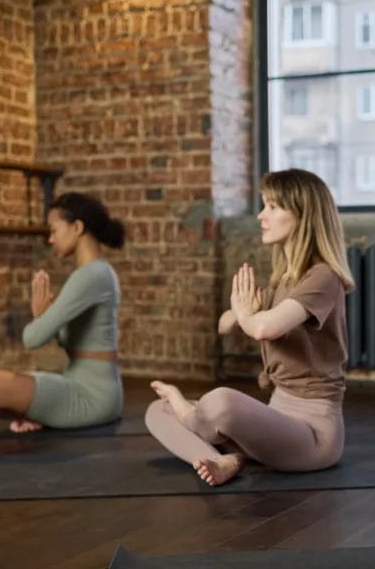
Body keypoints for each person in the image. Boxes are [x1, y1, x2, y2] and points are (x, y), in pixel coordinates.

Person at [145, 168, 355, 486]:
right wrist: (243, 313)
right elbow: (226, 323)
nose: (261, 215)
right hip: (276, 419)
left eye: (272, 206)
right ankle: (224, 459)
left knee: (220, 402)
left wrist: (249, 317)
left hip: (313, 435)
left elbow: (263, 329)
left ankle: (192, 418)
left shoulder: (323, 278)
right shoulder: (284, 281)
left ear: (303, 216)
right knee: (156, 410)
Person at [0, 192, 125, 432]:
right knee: (12, 380)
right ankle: (42, 413)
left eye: (54, 230)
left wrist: (40, 313)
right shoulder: (99, 273)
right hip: (83, 385)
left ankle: (43, 412)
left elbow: (32, 339)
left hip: (92, 397)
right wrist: (46, 314)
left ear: (77, 227)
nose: (50, 239)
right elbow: (67, 341)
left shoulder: (91, 275)